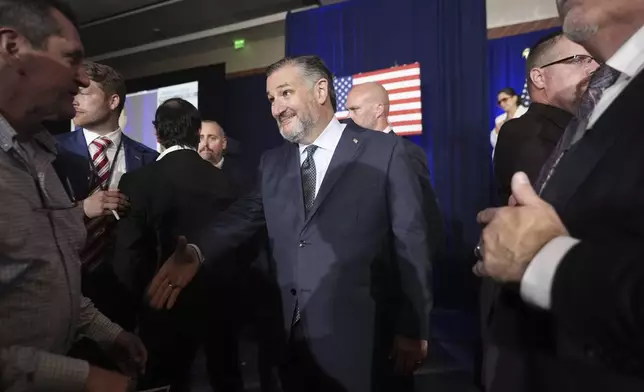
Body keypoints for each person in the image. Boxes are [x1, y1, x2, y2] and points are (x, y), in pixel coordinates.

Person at [148, 55, 435, 392]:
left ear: (321, 90)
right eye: (271, 99)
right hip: (291, 342)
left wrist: (414, 326)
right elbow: (244, 215)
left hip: (368, 341)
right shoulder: (273, 163)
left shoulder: (385, 151)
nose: (276, 108)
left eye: (285, 93)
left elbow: (412, 242)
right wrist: (197, 251)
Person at [476, 0, 644, 390]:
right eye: (576, 61)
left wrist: (544, 259)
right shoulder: (604, 98)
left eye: (587, 62)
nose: (587, 69)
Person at [0, 1, 147, 391]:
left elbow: (45, 276)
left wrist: (107, 333)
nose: (82, 80)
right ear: (12, 48)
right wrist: (85, 379)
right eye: (71, 60)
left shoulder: (39, 156)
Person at [484, 31, 598, 392]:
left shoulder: (585, 127)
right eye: (579, 60)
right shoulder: (525, 130)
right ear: (539, 76)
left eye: (594, 57)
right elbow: (558, 212)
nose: (593, 66)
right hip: (542, 314)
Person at [111, 98, 237, 391]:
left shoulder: (137, 181)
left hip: (159, 312)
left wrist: (127, 316)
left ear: (157, 133)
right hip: (219, 311)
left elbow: (128, 256)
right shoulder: (226, 182)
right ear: (196, 134)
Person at [54, 61, 158, 331]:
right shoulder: (53, 151)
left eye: (84, 93)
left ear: (113, 101)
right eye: (73, 93)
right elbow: (31, 217)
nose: (75, 100)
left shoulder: (148, 159)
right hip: (65, 282)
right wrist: (81, 208)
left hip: (127, 290)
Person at [198, 120, 283, 392]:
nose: (205, 144)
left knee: (267, 352)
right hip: (207, 279)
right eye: (200, 137)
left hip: (250, 277)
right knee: (220, 356)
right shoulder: (184, 177)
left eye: (212, 138)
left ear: (223, 143)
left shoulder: (248, 177)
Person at [490, 87, 528, 154]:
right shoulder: (499, 119)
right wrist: (496, 132)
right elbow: (495, 145)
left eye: (504, 100)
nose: (502, 104)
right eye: (499, 102)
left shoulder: (527, 114)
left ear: (515, 98)